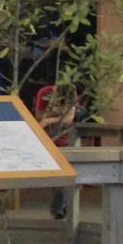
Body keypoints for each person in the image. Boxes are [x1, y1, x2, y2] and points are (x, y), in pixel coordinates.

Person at [33, 84, 77, 219]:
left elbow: (69, 117)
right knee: (59, 175)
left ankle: (61, 209)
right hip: (49, 137)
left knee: (66, 173)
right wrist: (56, 113)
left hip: (64, 137)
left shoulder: (72, 92)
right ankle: (59, 209)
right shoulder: (45, 92)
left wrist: (50, 119)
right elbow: (39, 115)